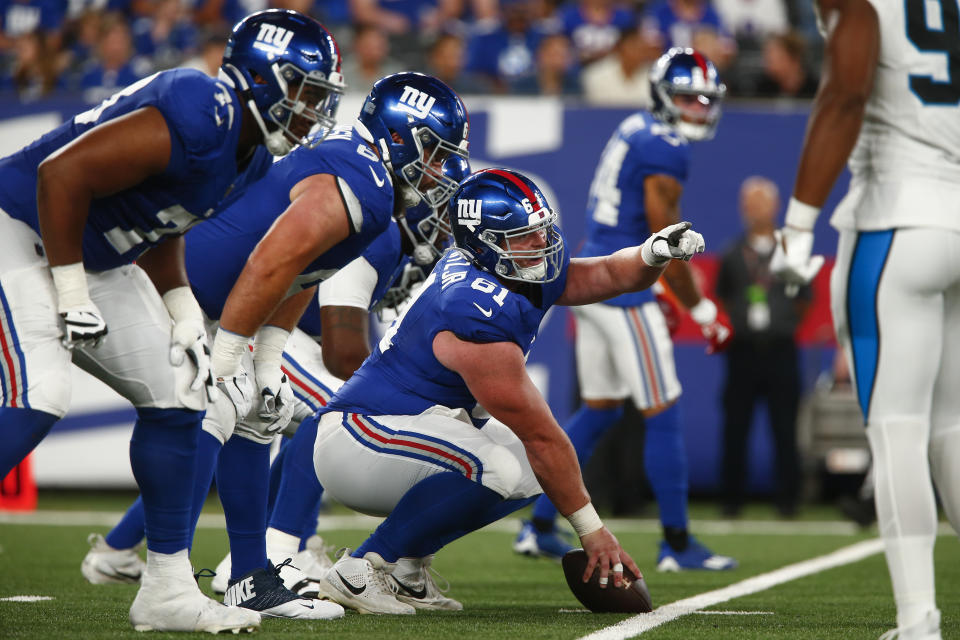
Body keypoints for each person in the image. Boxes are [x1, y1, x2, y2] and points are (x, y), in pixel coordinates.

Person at [0, 8, 344, 633]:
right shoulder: (200, 105)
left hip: (94, 254)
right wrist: (71, 286)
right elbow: (61, 175)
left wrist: (181, 306)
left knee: (185, 392)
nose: (312, 110)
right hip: (20, 228)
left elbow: (162, 221)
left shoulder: (250, 158)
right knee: (40, 394)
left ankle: (165, 589)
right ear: (265, 78)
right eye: (305, 91)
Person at [80, 74, 469, 621]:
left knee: (259, 414)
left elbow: (301, 274)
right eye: (433, 155)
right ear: (404, 137)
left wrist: (265, 358)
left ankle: (247, 576)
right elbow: (273, 265)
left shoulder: (371, 187)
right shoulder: (362, 180)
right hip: (176, 296)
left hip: (227, 310)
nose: (433, 175)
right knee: (218, 410)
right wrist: (230, 356)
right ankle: (223, 565)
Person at [306, 168, 707, 614]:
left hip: (412, 428)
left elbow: (605, 276)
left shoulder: (508, 268)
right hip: (361, 437)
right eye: (523, 236)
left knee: (535, 471)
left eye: (540, 229)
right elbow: (541, 435)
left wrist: (653, 252)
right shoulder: (472, 311)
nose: (541, 243)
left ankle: (405, 570)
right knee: (500, 464)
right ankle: (362, 568)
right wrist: (593, 532)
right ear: (484, 244)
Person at [770, 0, 959, 636]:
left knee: (897, 432)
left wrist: (798, 223)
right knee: (953, 433)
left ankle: (918, 621)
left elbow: (847, 92)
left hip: (899, 214)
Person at [512, 47, 736, 573]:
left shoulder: (637, 127)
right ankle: (677, 543)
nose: (699, 109)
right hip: (623, 291)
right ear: (663, 96)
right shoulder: (664, 146)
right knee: (664, 410)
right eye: (688, 98)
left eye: (706, 100)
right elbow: (669, 239)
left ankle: (540, 524)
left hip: (597, 273)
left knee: (602, 408)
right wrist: (701, 309)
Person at [715, 176, 810, 518]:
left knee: (785, 427)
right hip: (743, 351)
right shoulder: (732, 253)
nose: (754, 209)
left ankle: (788, 500)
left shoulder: (791, 253)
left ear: (775, 206)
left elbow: (804, 299)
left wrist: (781, 323)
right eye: (749, 203)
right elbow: (724, 295)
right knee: (735, 427)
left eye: (761, 202)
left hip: (781, 349)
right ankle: (731, 500)